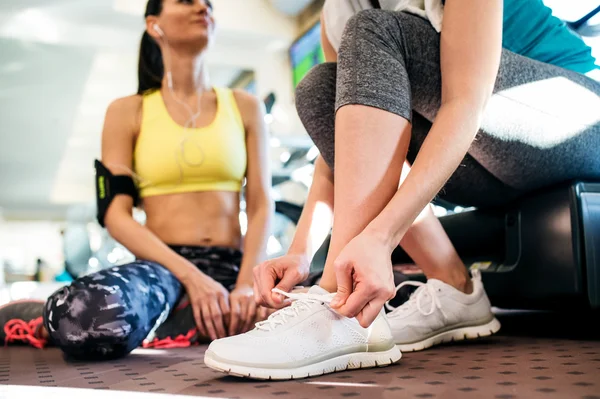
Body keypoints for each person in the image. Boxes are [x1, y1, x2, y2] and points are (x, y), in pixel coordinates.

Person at [204, 0, 600, 380]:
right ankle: (455, 286)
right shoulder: (335, 12)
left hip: (573, 120)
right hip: (480, 161)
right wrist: (300, 252)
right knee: (320, 89)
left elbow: (466, 104)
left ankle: (338, 308)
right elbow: (346, 147)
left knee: (376, 30)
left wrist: (380, 238)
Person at [0, 0, 274, 359]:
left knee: (324, 306)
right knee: (80, 314)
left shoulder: (245, 106)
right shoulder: (127, 111)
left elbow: (260, 202)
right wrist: (193, 279)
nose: (203, 7)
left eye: (208, 2)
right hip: (163, 270)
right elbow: (115, 215)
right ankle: (41, 317)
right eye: (186, 0)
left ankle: (182, 321)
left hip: (235, 267)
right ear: (153, 24)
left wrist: (245, 287)